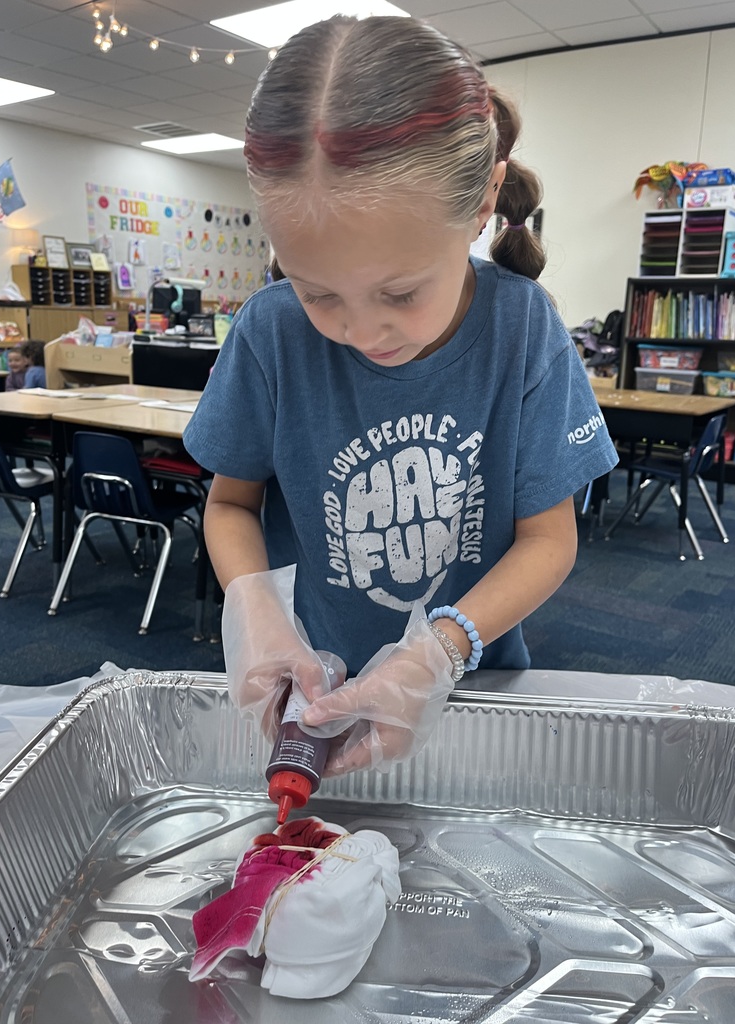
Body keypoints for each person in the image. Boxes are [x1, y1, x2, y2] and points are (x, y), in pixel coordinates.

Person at [183, 15, 619, 776]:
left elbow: (549, 538)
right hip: (315, 693)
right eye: (318, 292)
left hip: (470, 686)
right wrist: (257, 613)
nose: (362, 331)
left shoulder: (522, 327)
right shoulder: (271, 333)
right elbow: (228, 504)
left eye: (401, 291)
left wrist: (438, 656)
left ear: (482, 202)